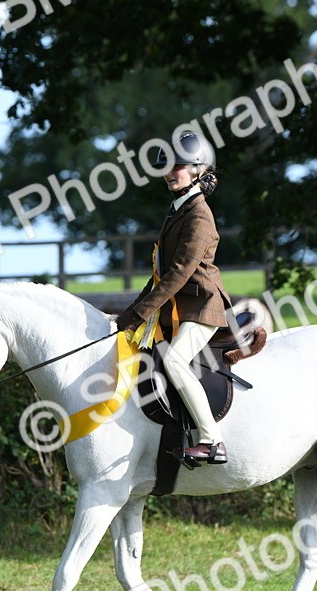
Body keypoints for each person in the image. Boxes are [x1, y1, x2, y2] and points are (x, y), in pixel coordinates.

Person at [115, 131, 231, 464]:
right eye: (166, 166)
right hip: (179, 307)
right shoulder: (178, 209)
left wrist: (138, 315)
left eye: (177, 166)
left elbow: (178, 273)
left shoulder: (199, 215)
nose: (169, 172)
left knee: (175, 361)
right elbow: (159, 274)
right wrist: (128, 314)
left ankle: (212, 441)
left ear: (197, 169)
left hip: (201, 307)